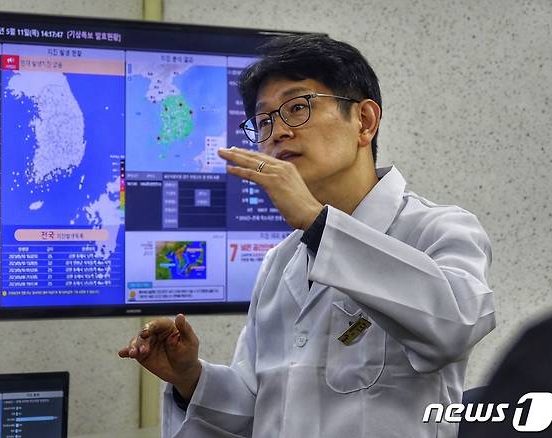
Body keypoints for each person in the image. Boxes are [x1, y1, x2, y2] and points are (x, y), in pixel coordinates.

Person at [119, 34, 495, 438]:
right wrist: (190, 377)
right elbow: (257, 408)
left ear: (364, 122)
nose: (277, 132)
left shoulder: (438, 228)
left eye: (297, 108)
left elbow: (456, 326)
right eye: (263, 121)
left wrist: (318, 223)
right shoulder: (280, 262)